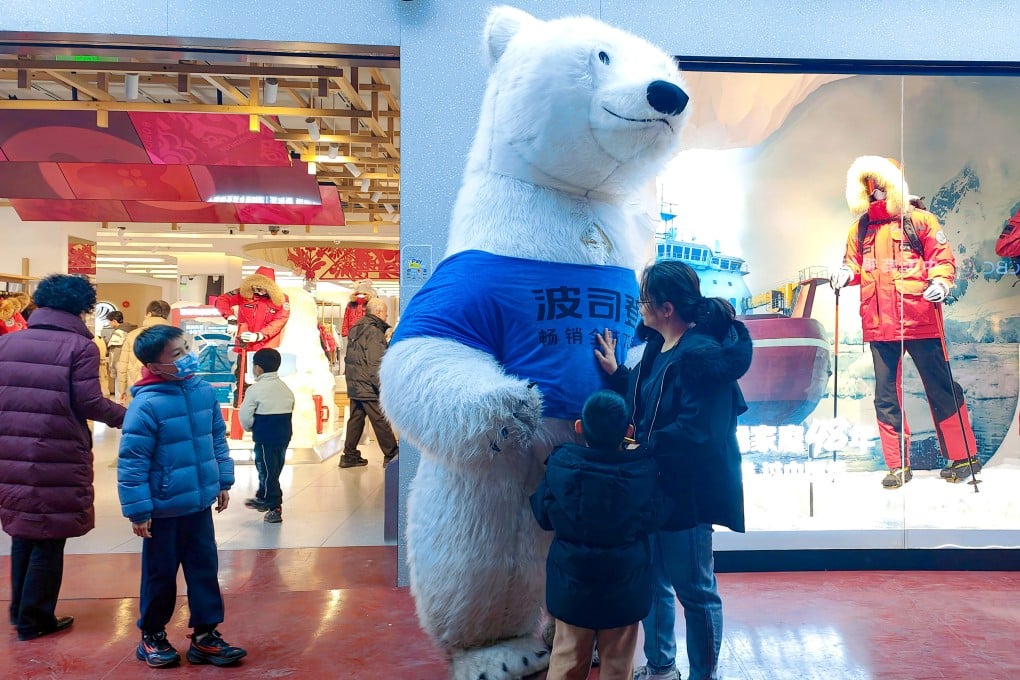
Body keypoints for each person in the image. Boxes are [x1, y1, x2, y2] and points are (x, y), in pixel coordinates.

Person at [594, 259, 752, 680]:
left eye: (645, 299)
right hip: (654, 488)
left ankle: (704, 674)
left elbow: (701, 432)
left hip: (687, 495)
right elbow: (645, 398)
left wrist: (643, 446)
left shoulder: (702, 357)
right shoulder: (655, 348)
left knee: (695, 592)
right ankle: (661, 666)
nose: (639, 306)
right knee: (653, 584)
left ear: (666, 308)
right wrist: (617, 376)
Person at [831, 156, 980, 487]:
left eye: (879, 184)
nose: (874, 191)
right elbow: (853, 264)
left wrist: (941, 281)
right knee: (885, 397)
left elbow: (941, 259)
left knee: (941, 389)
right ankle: (898, 465)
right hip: (879, 325)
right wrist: (845, 274)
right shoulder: (860, 228)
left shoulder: (920, 221)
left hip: (920, 321)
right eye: (867, 186)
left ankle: (964, 456)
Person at [0, 274, 126, 641]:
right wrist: (129, 417)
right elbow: (88, 403)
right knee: (50, 536)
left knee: (23, 531)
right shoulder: (80, 347)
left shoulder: (8, 343)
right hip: (54, 451)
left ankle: (19, 609)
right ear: (81, 308)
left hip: (10, 449)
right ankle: (35, 619)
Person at [117, 325, 246, 668]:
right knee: (160, 574)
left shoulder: (202, 391)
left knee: (205, 569)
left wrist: (223, 479)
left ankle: (206, 635)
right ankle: (152, 635)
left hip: (199, 503)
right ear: (155, 366)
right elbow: (132, 462)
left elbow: (216, 438)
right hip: (163, 509)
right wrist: (139, 510)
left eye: (185, 349)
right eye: (176, 355)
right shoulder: (146, 405)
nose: (187, 358)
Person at [531, 390, 666, 680]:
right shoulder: (644, 471)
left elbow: (543, 516)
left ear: (579, 427)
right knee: (618, 664)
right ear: (628, 431)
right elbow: (657, 517)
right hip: (625, 588)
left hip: (572, 589)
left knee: (567, 660)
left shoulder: (561, 465)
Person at [339, 297, 399, 468]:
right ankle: (392, 454)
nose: (386, 317)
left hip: (355, 382)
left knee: (356, 419)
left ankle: (349, 455)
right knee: (379, 419)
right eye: (386, 313)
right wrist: (382, 386)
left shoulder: (357, 328)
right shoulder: (373, 332)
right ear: (379, 313)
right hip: (367, 384)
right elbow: (375, 362)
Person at [238, 348, 295, 524]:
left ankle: (274, 506)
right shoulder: (285, 388)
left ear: (258, 368)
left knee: (267, 471)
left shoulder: (255, 390)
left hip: (265, 437)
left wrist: (249, 427)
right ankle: (262, 496)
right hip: (284, 435)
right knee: (274, 468)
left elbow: (245, 415)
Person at [116, 300, 171, 405]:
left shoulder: (132, 335)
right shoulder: (176, 335)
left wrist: (121, 390)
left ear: (149, 314)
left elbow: (122, 366)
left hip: (137, 391)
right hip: (167, 392)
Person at [104, 310, 137, 395]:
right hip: (132, 365)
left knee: (120, 394)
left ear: (114, 321)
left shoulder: (118, 333)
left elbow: (115, 354)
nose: (109, 324)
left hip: (121, 367)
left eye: (109, 322)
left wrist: (113, 370)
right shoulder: (131, 330)